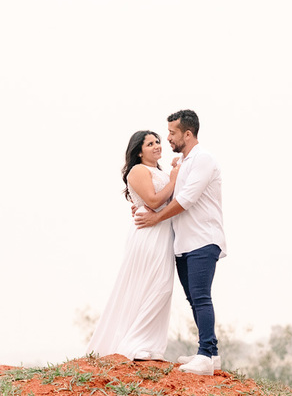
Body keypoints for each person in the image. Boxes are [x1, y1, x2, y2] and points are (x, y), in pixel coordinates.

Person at [134, 109, 226, 376]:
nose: (168, 138)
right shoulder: (183, 164)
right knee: (193, 299)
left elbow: (186, 200)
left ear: (188, 133)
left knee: (201, 297)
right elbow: (161, 195)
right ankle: (213, 354)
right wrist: (141, 209)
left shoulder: (203, 160)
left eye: (172, 133)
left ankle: (206, 354)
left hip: (203, 239)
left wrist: (156, 218)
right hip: (183, 242)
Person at [87, 130, 179, 360]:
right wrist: (175, 179)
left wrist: (176, 172)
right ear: (139, 151)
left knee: (161, 286)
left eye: (158, 141)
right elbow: (154, 200)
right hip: (148, 234)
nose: (157, 145)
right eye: (150, 143)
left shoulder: (160, 172)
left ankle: (147, 343)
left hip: (163, 233)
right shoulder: (138, 170)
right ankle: (134, 343)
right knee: (154, 285)